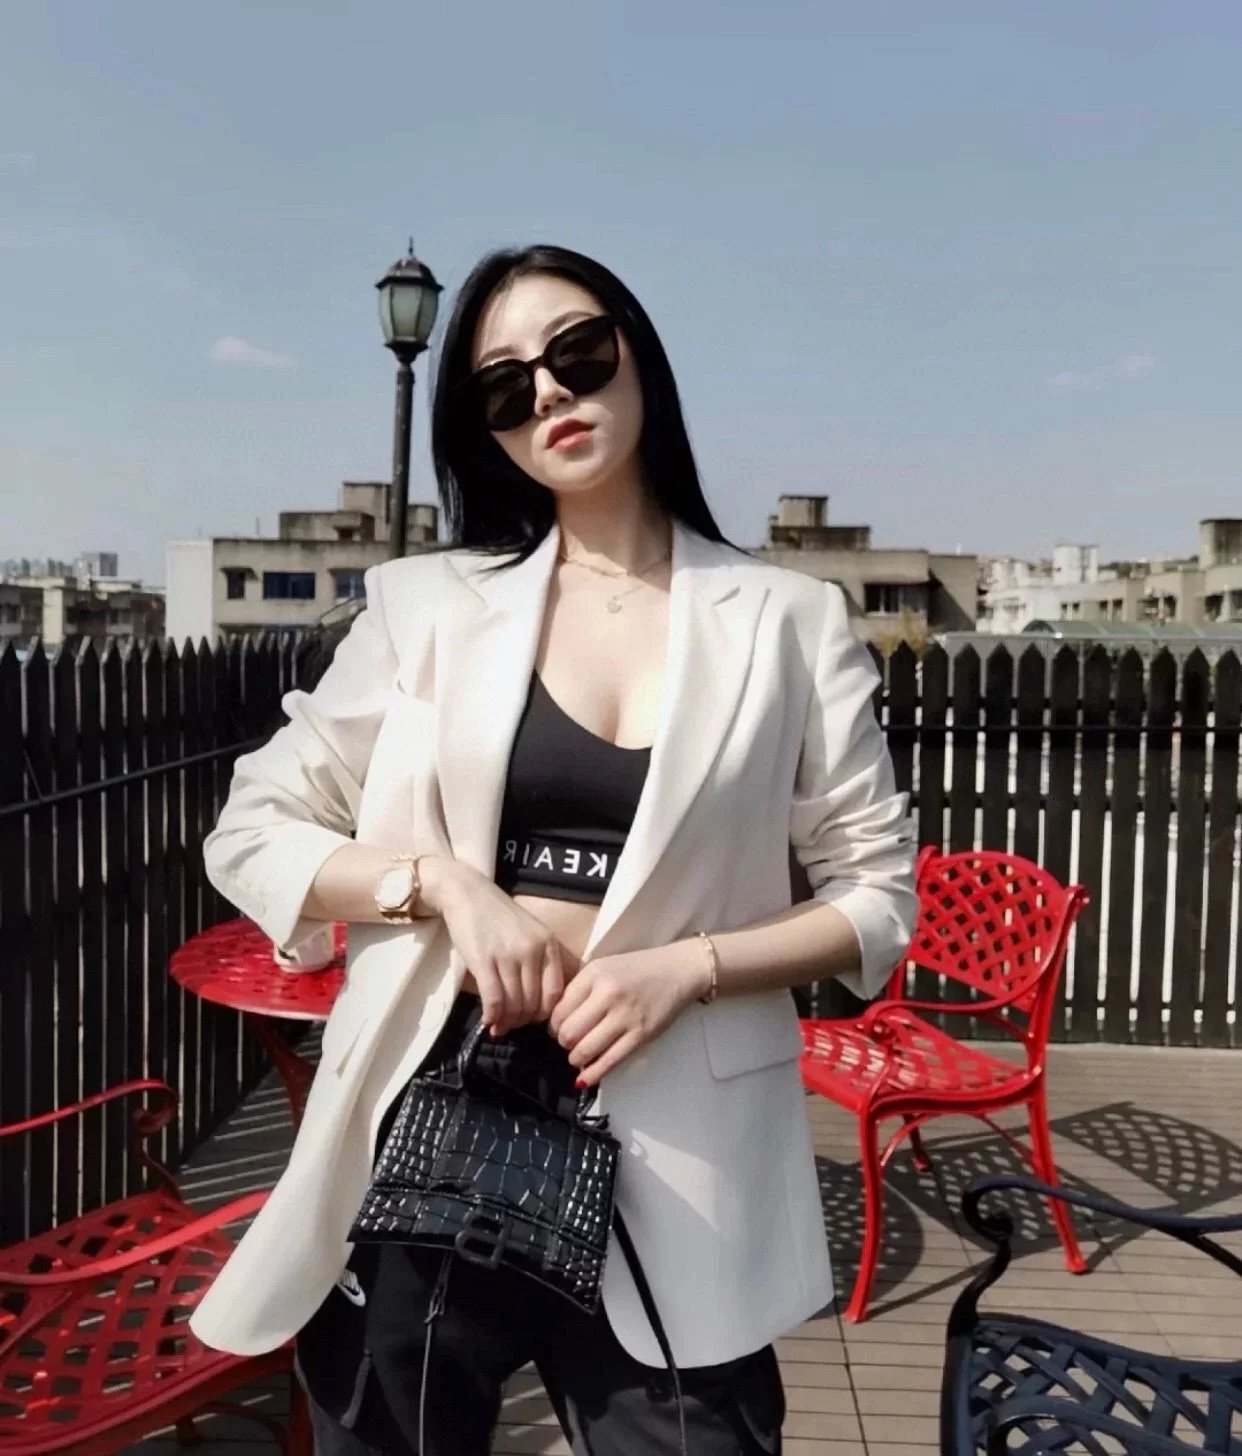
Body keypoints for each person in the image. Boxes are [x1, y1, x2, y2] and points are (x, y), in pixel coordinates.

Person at [188, 243, 917, 1455]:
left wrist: (689, 967)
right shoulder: (427, 606)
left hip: (683, 1145)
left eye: (578, 353)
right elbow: (254, 827)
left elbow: (877, 896)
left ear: (638, 354)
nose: (549, 394)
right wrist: (440, 887)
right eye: (505, 385)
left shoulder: (789, 619)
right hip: (436, 1111)